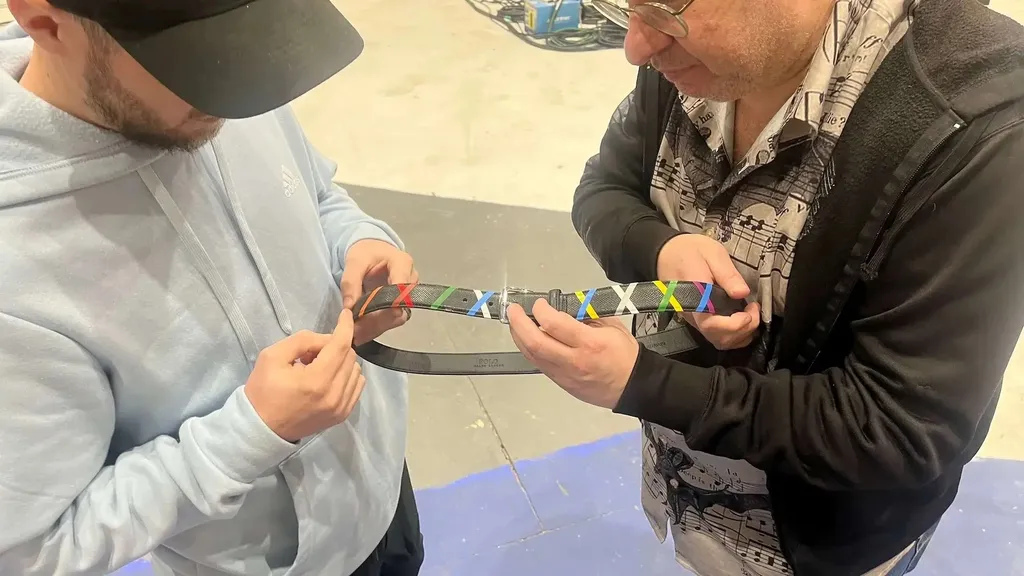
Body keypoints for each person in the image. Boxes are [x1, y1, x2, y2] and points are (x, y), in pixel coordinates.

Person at [507, 0, 1024, 575]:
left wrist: (644, 383)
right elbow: (605, 186)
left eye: (663, 11)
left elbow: (899, 427)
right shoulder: (688, 57)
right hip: (690, 492)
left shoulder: (982, 123)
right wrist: (660, 249)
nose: (635, 46)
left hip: (822, 541)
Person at [0, 1, 424, 575]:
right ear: (43, 20)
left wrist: (358, 242)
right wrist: (251, 433)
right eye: (193, 61)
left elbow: (314, 190)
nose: (237, 93)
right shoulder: (16, 270)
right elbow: (35, 549)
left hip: (378, 483)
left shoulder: (227, 77)